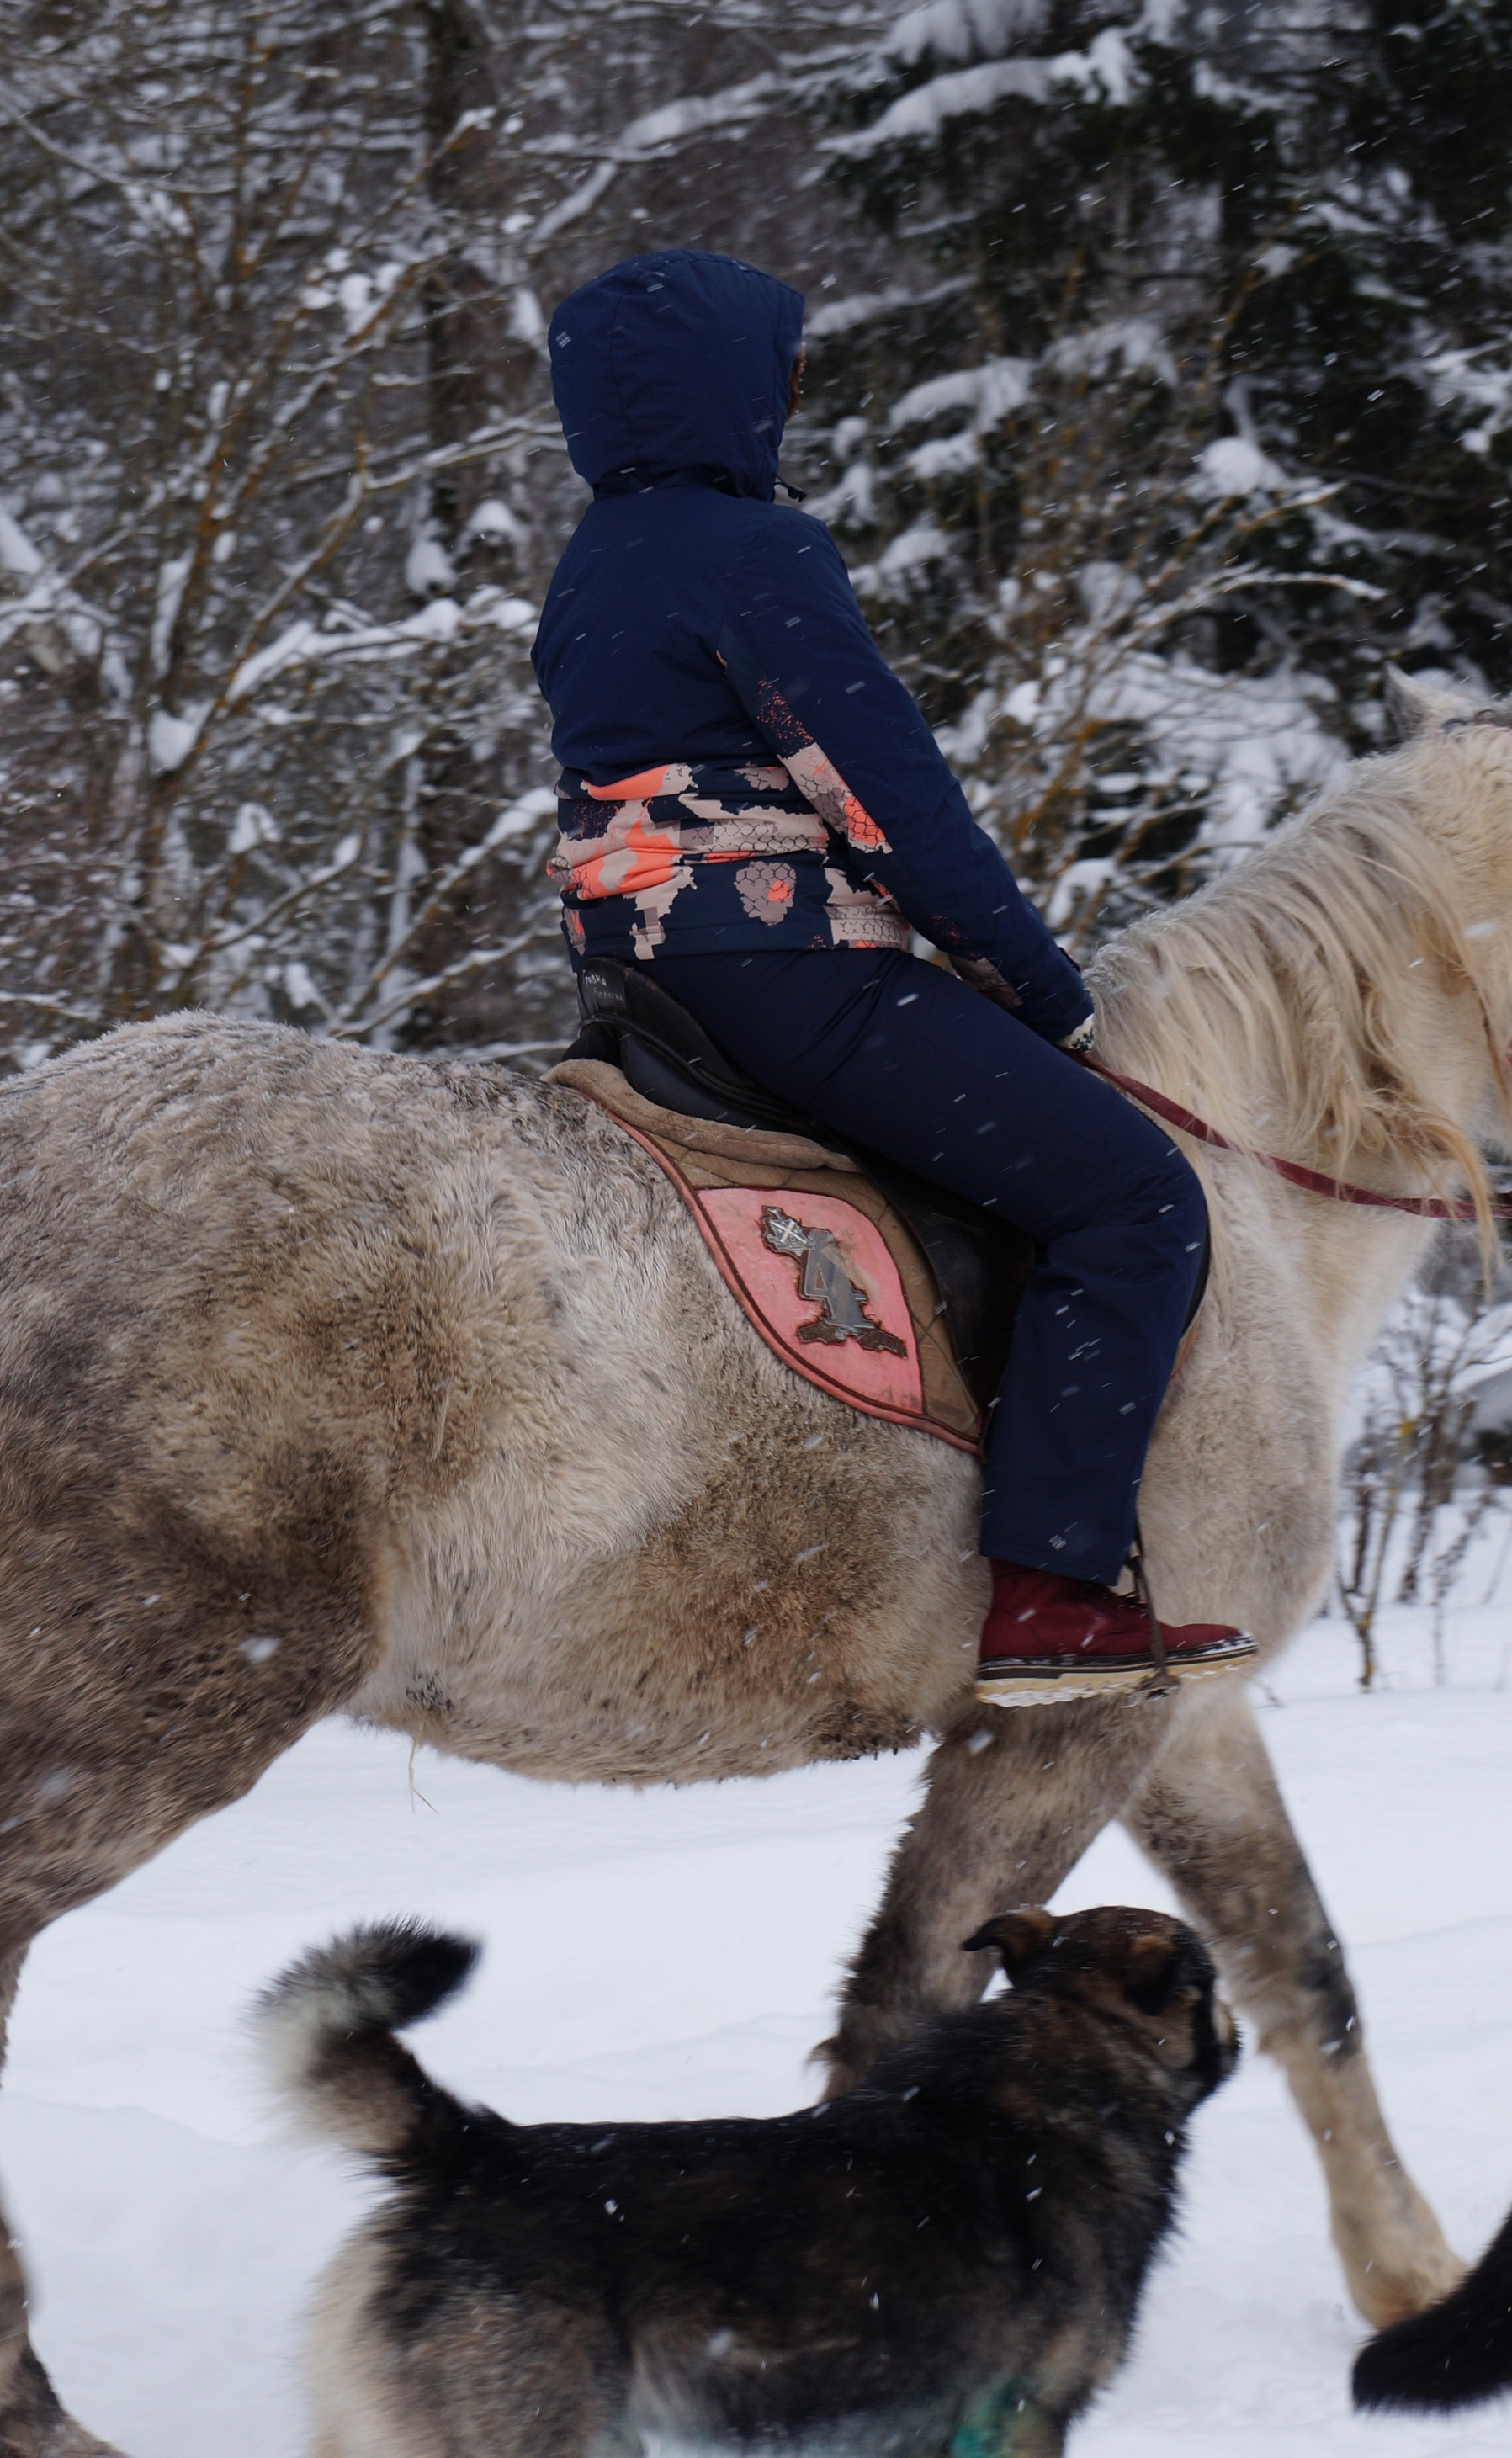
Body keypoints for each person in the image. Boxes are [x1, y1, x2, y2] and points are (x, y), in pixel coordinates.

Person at [531, 247, 1255, 1701]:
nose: (793, 401)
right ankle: (1050, 1592)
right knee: (1134, 1194)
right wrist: (1039, 989)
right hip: (797, 977)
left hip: (654, 986)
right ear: (739, 389)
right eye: (787, 374)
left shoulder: (590, 565)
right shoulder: (755, 550)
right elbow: (884, 797)